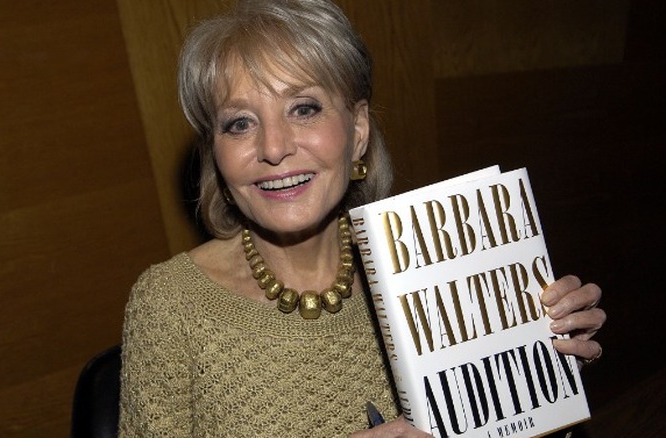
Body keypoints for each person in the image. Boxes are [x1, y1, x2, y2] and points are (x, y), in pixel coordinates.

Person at [118, 0, 607, 436]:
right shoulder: (170, 306)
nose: (273, 148)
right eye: (239, 123)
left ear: (357, 131)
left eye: (303, 108)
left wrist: (539, 372)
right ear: (217, 154)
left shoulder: (436, 264)